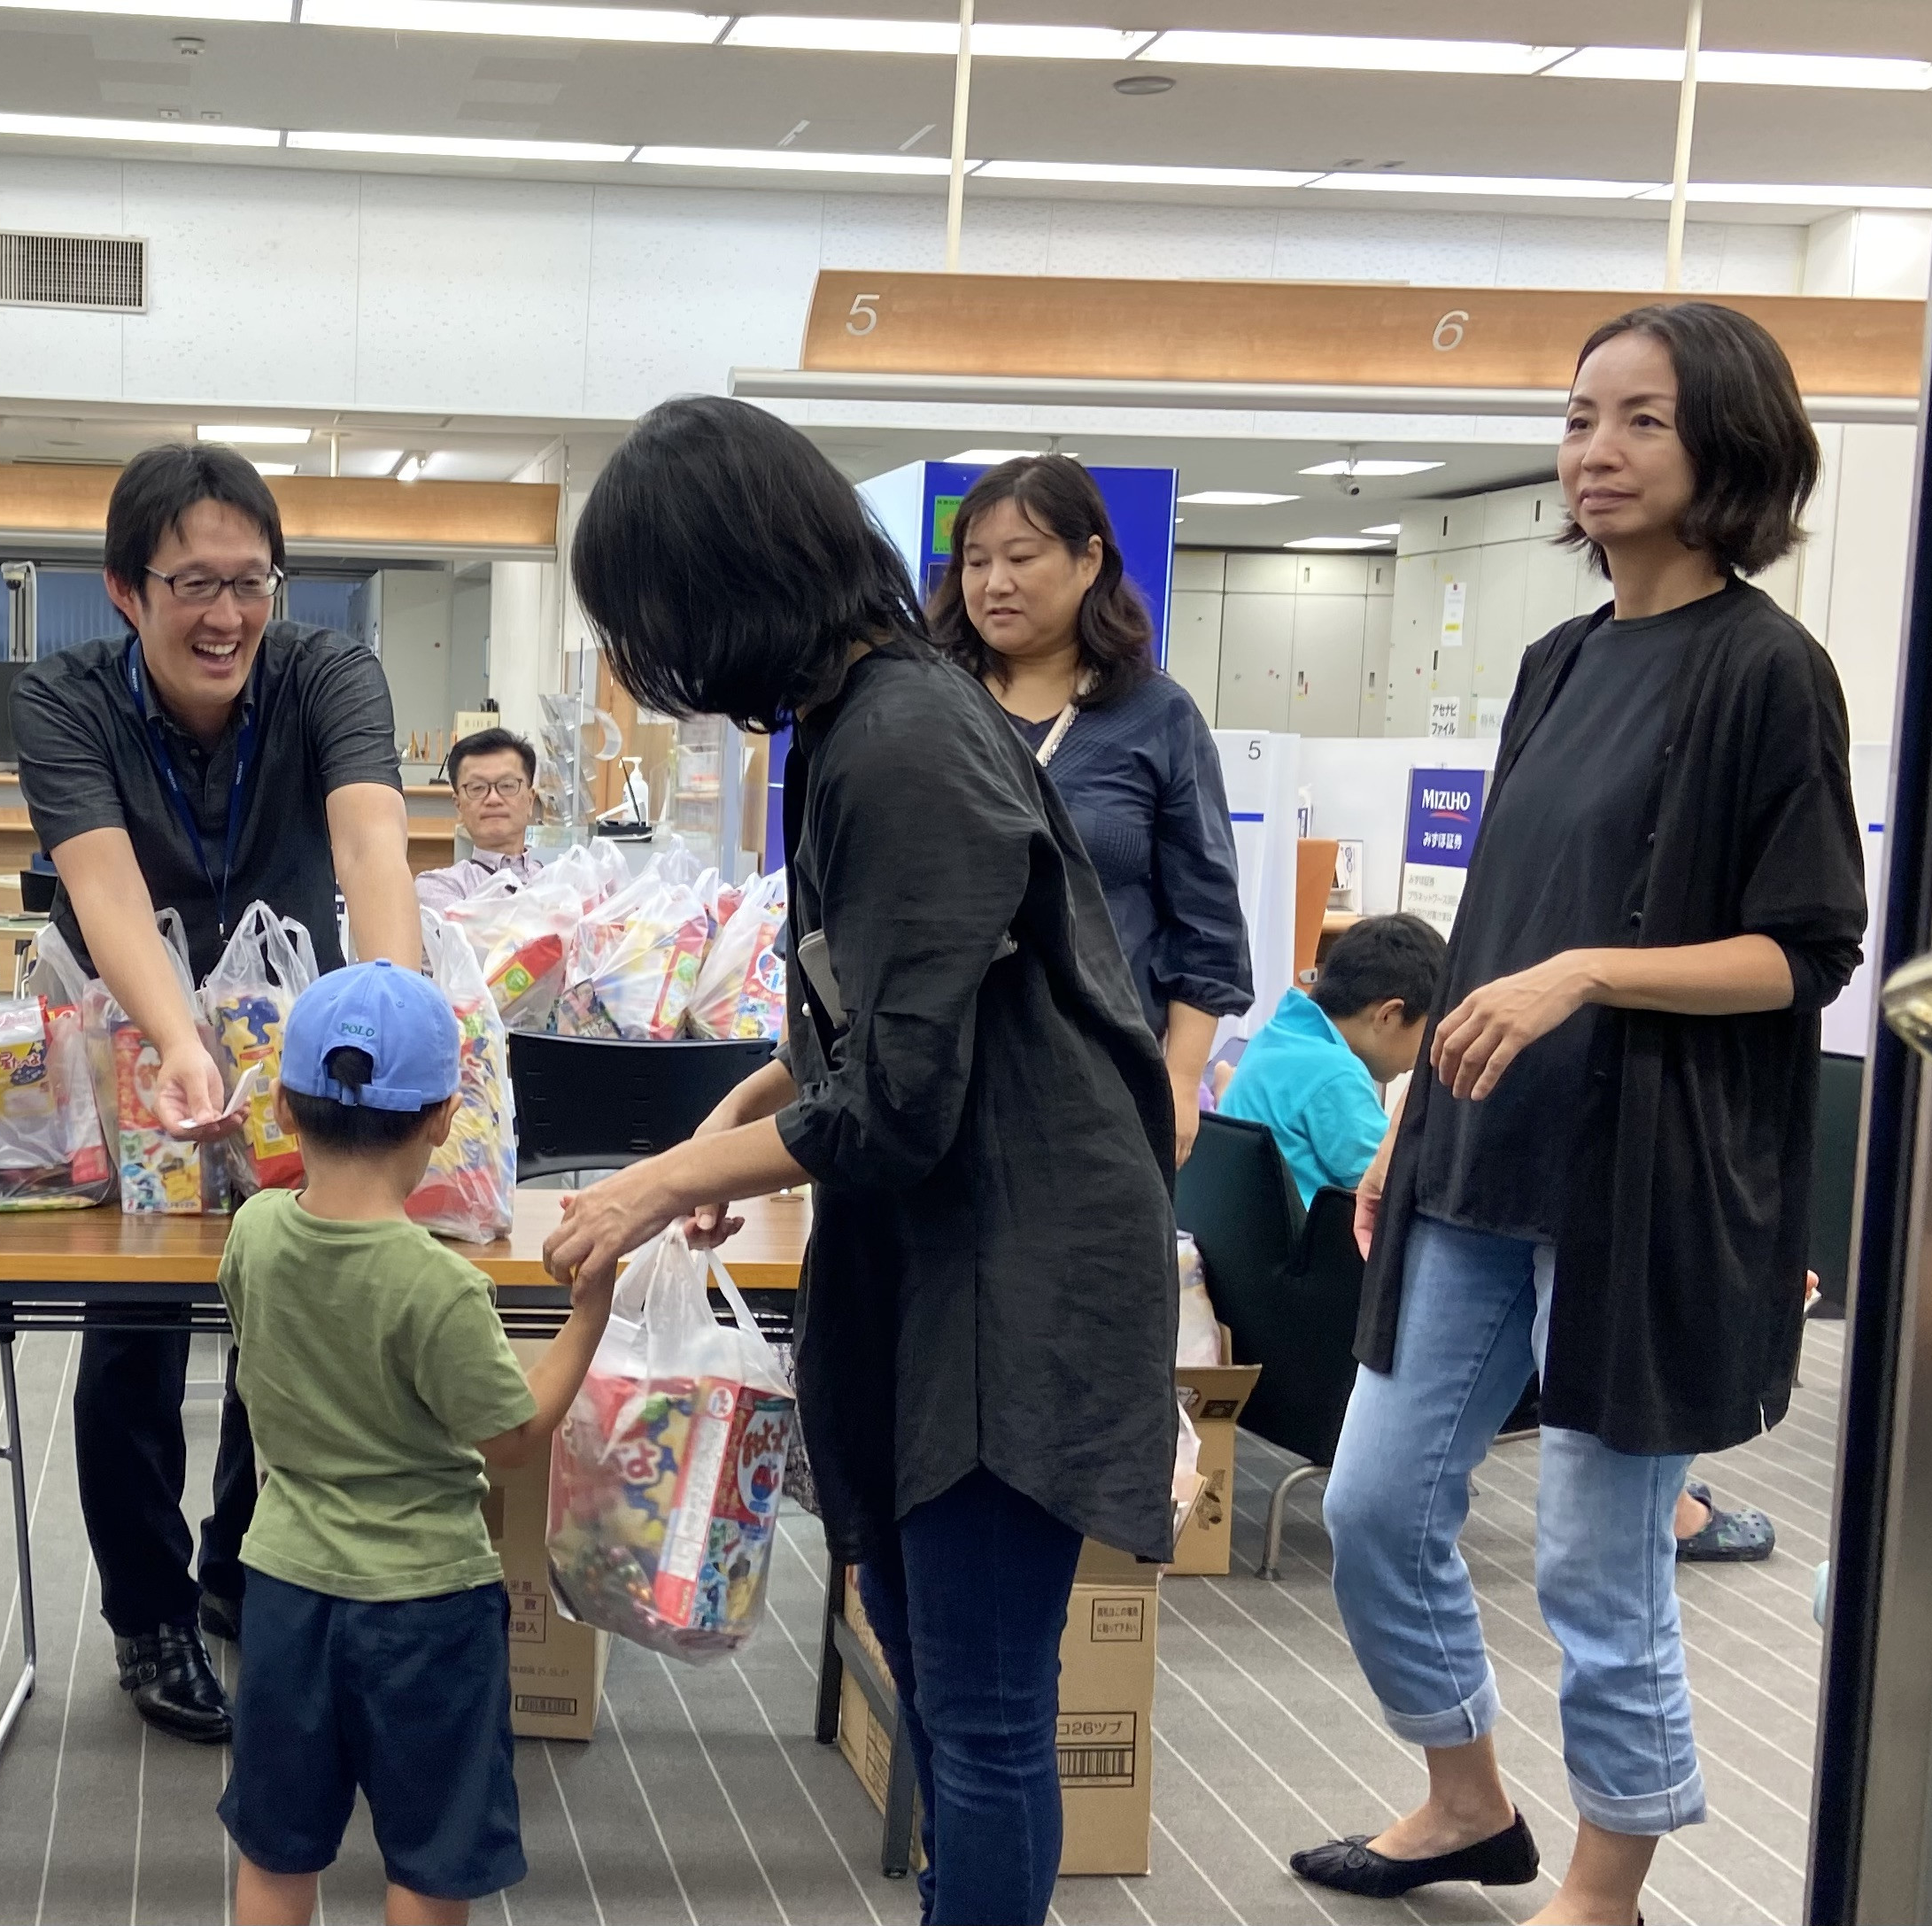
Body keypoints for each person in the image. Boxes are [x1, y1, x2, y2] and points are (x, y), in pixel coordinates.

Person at [544, 395, 1181, 1926]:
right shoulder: (861, 720)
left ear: (723, 584)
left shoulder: (901, 737)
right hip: (938, 1246)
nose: (647, 662)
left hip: (1014, 1271)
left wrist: (661, 1186)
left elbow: (897, 1097)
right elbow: (872, 1005)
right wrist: (725, 1125)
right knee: (936, 1675)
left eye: (650, 618)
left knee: (980, 1712)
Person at [1291, 303, 1864, 1926]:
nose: (1595, 452)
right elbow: (1500, 919)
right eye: (1577, 418)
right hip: (1481, 1152)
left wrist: (1592, 975)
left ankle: (1605, 1888)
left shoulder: (1769, 669)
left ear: (1728, 450)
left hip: (1649, 1183)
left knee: (1595, 1564)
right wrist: (1406, 1125)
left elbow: (1803, 955)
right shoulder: (1561, 656)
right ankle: (1466, 1801)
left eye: (1642, 422)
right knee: (1374, 1505)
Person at [12, 443, 424, 1744]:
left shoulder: (325, 672)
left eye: (253, 580)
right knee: (134, 1327)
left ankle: (239, 1568)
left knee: (287, 1310)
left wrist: (402, 1016)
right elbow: (104, 885)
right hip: (140, 1046)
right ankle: (147, 1611)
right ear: (126, 590)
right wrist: (177, 1034)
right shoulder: (66, 700)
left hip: (303, 1044)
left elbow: (368, 836)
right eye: (194, 581)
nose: (228, 613)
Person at [216, 961, 611, 1926]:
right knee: (431, 1857)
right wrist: (587, 1317)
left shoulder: (254, 1233)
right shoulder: (437, 1286)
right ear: (442, 1118)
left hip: (284, 1587)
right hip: (425, 1608)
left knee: (275, 1847)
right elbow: (514, 1436)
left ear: (281, 1102)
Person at [931, 457, 1253, 1164]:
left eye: (1022, 556)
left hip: (1098, 1084)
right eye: (976, 561)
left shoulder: (1156, 715)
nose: (995, 583)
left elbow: (1206, 924)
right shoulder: (927, 705)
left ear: (1088, 560)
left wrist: (1179, 1079)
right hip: (933, 1076)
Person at [1220, 912, 1444, 1204]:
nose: (1426, 1052)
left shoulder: (1277, 1034)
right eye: (1428, 1033)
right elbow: (1391, 1177)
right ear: (1388, 1015)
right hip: (1305, 1244)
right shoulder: (1336, 1074)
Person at [416, 725, 544, 912]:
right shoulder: (439, 887)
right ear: (458, 805)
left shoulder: (557, 879)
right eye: (477, 788)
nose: (493, 799)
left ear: (530, 801)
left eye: (507, 785)